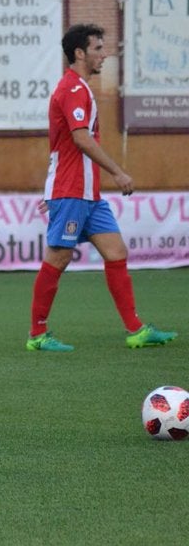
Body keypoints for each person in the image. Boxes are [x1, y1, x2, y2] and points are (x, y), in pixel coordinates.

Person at [27, 23, 177, 352]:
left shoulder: (79, 87)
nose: (104, 54)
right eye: (97, 49)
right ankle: (37, 334)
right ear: (79, 53)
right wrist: (118, 172)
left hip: (87, 194)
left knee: (116, 252)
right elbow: (80, 138)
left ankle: (136, 330)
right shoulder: (73, 88)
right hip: (70, 189)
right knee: (58, 258)